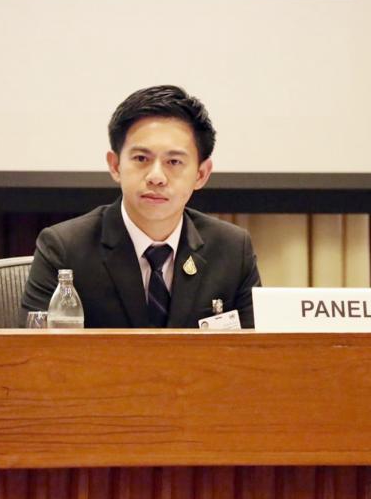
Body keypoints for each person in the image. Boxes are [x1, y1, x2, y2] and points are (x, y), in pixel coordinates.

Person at [21, 85, 261, 328]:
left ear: (201, 174)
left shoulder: (232, 250)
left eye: (174, 161)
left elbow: (258, 348)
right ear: (115, 166)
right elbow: (33, 348)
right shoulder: (65, 248)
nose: (156, 177)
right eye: (141, 159)